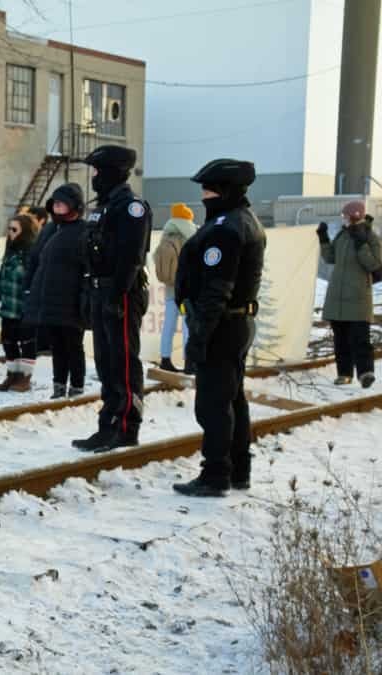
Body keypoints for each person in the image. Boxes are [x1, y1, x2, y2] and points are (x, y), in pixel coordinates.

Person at [173, 159, 267, 497]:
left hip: (222, 324)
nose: (203, 196)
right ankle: (238, 469)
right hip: (236, 322)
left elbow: (217, 288)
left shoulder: (227, 228)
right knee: (233, 399)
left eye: (209, 190)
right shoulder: (243, 221)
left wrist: (199, 336)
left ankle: (215, 474)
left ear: (226, 191)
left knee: (213, 403)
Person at [72, 145, 151, 453]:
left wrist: (117, 294)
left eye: (98, 171)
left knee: (124, 361)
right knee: (106, 362)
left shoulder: (131, 206)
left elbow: (131, 257)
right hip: (99, 288)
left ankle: (127, 425)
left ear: (113, 172)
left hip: (122, 291)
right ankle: (108, 424)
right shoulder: (103, 206)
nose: (93, 177)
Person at [24, 183, 89, 399]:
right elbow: (36, 260)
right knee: (57, 347)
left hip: (71, 301)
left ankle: (77, 387)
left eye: (62, 204)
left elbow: (88, 268)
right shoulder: (50, 230)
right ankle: (59, 387)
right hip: (49, 299)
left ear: (74, 206)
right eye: (55, 204)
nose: (57, 208)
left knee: (73, 346)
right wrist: (29, 289)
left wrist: (84, 300)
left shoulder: (85, 230)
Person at [318, 200, 381, 388]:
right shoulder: (343, 235)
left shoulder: (371, 237)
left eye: (345, 217)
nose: (343, 220)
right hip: (337, 297)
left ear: (355, 216)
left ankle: (365, 373)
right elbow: (331, 258)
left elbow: (374, 264)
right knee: (341, 339)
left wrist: (361, 244)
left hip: (358, 296)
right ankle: (344, 374)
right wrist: (323, 238)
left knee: (360, 338)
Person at [0, 214, 38, 392]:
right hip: (9, 306)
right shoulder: (10, 251)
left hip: (24, 306)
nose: (10, 233)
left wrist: (32, 302)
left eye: (14, 229)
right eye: (9, 229)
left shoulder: (31, 253)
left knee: (26, 341)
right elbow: (2, 274)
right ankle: (13, 375)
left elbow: (35, 279)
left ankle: (25, 377)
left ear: (24, 232)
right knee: (8, 340)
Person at [153, 203, 197, 373]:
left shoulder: (167, 232)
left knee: (168, 326)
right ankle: (189, 363)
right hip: (187, 289)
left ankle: (165, 359)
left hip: (170, 288)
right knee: (187, 325)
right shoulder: (192, 232)